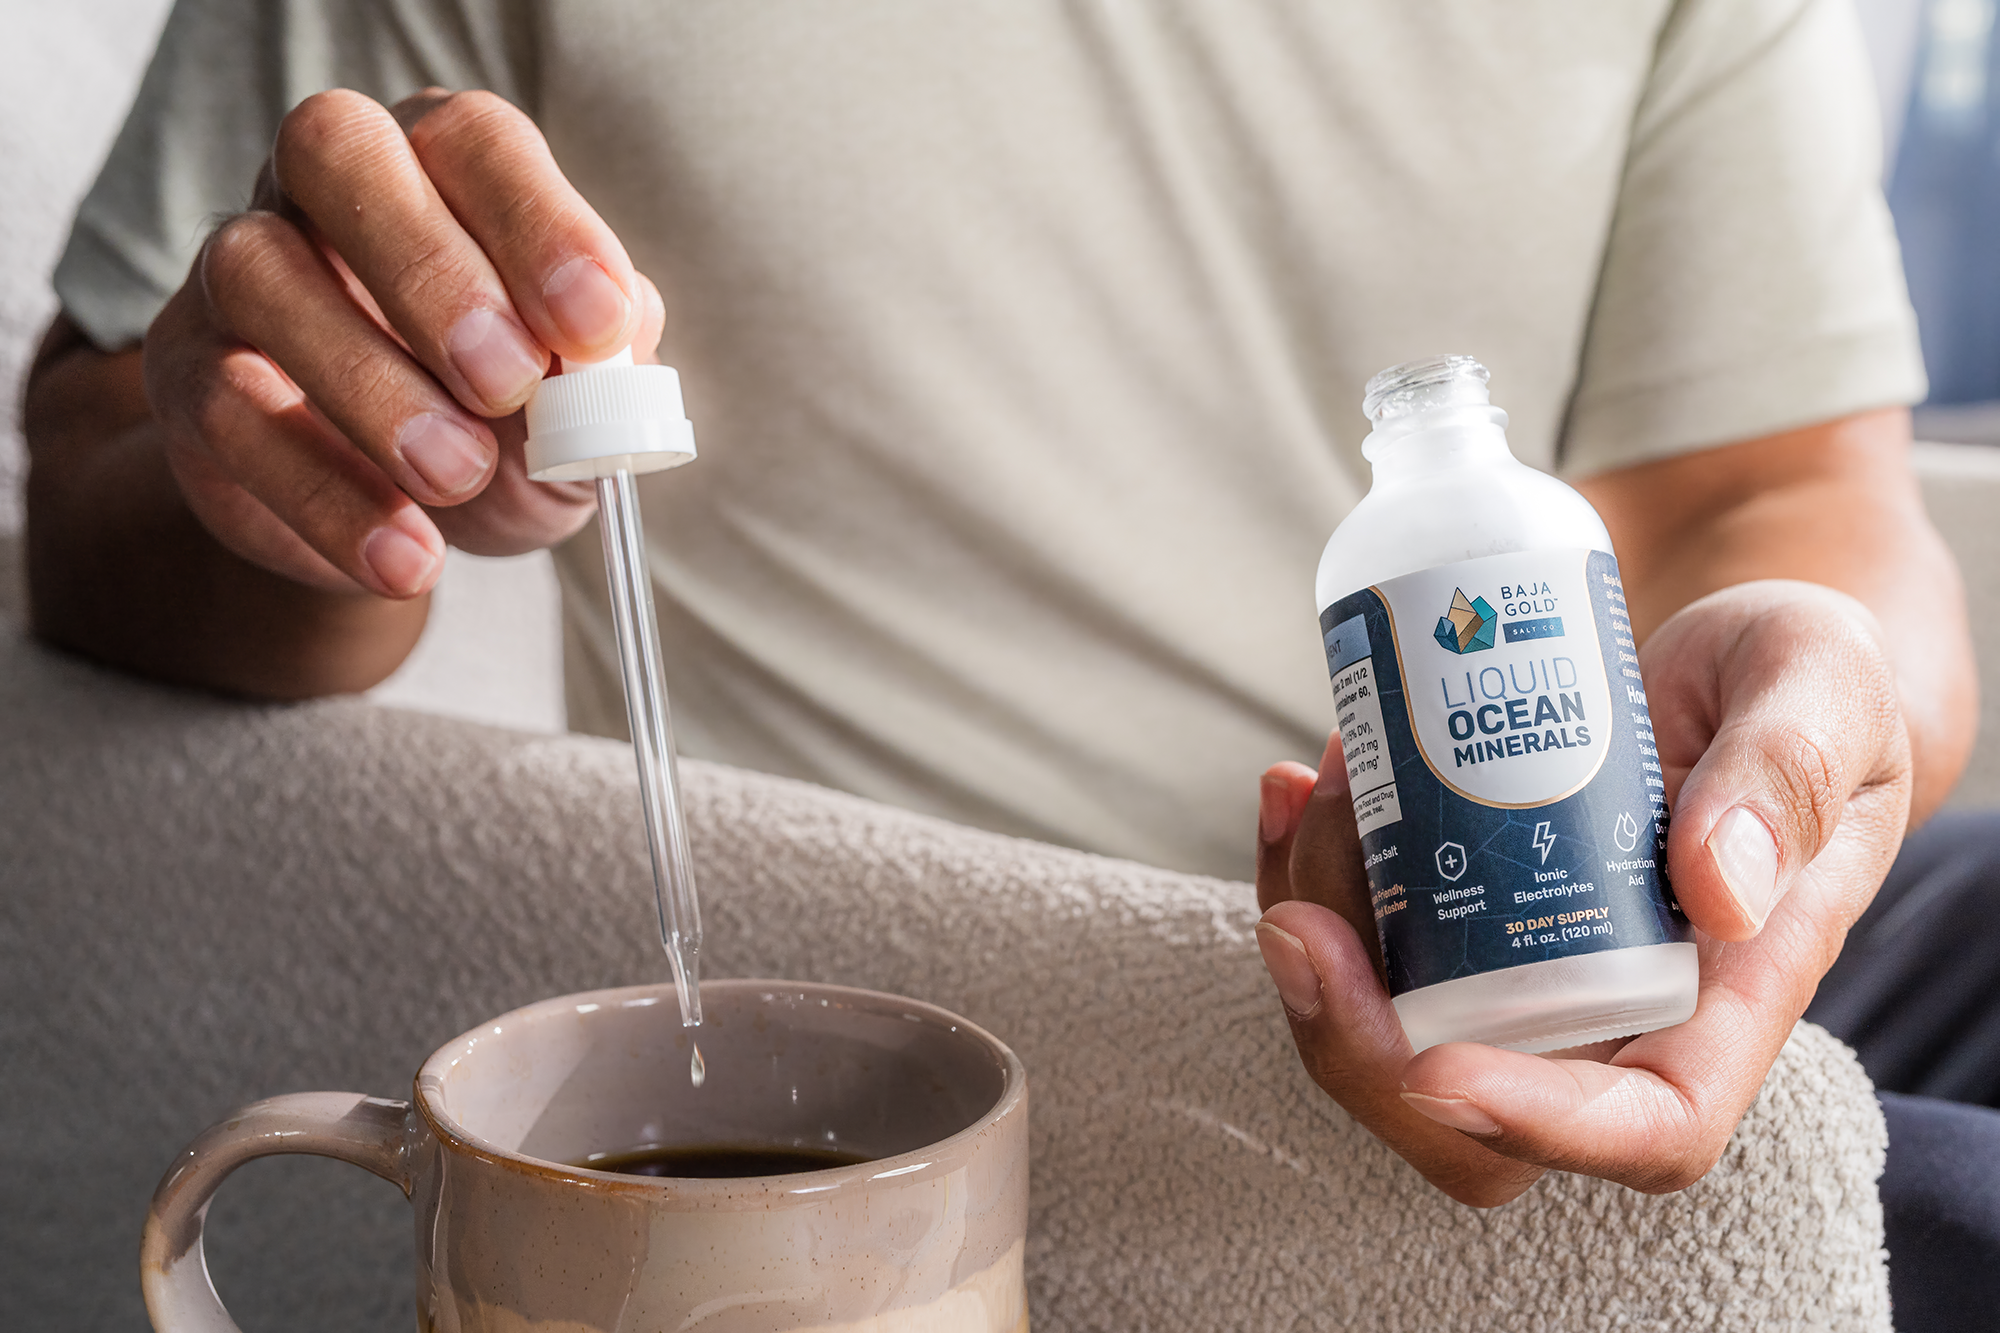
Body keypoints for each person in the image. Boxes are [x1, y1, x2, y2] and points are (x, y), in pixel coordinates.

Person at [20, 0, 1998, 1320]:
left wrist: (1826, 734)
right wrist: (329, 489)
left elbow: (1782, 489)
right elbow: (92, 484)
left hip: (1594, 874)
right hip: (1024, 983)